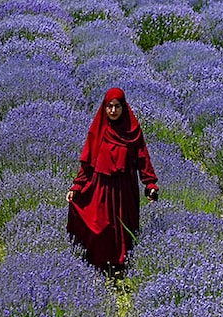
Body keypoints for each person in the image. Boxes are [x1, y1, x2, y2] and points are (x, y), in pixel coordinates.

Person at [67, 87, 159, 273]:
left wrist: (149, 183)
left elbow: (143, 157)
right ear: (104, 107)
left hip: (125, 188)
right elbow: (88, 162)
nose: (113, 111)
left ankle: (123, 266)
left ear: (124, 107)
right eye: (109, 106)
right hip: (102, 187)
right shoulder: (98, 130)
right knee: (101, 226)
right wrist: (77, 186)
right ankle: (98, 265)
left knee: (124, 229)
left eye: (117, 106)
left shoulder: (132, 130)